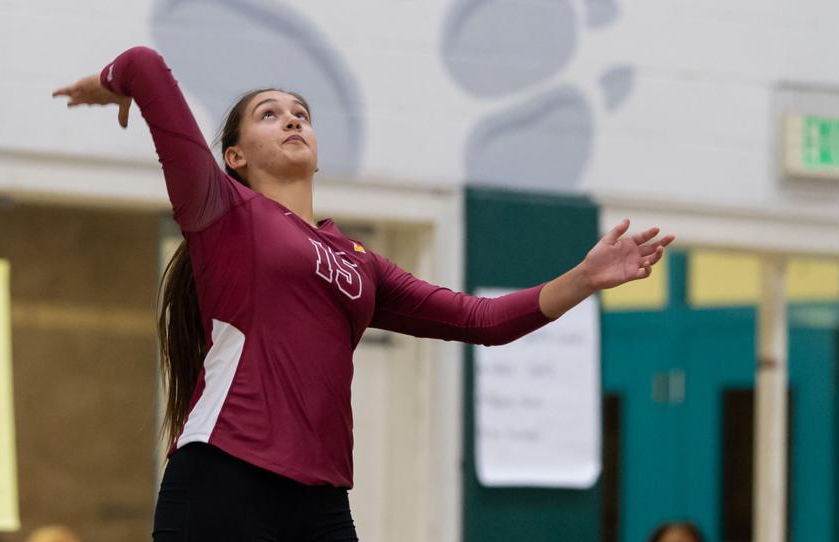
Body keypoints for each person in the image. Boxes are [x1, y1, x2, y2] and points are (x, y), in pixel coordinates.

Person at [53, 46, 674, 541]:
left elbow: (482, 320)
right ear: (235, 156)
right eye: (269, 113)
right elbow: (144, 64)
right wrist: (106, 84)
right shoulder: (223, 212)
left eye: (301, 113)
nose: (293, 118)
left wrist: (585, 277)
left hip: (321, 500)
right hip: (226, 477)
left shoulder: (359, 262)